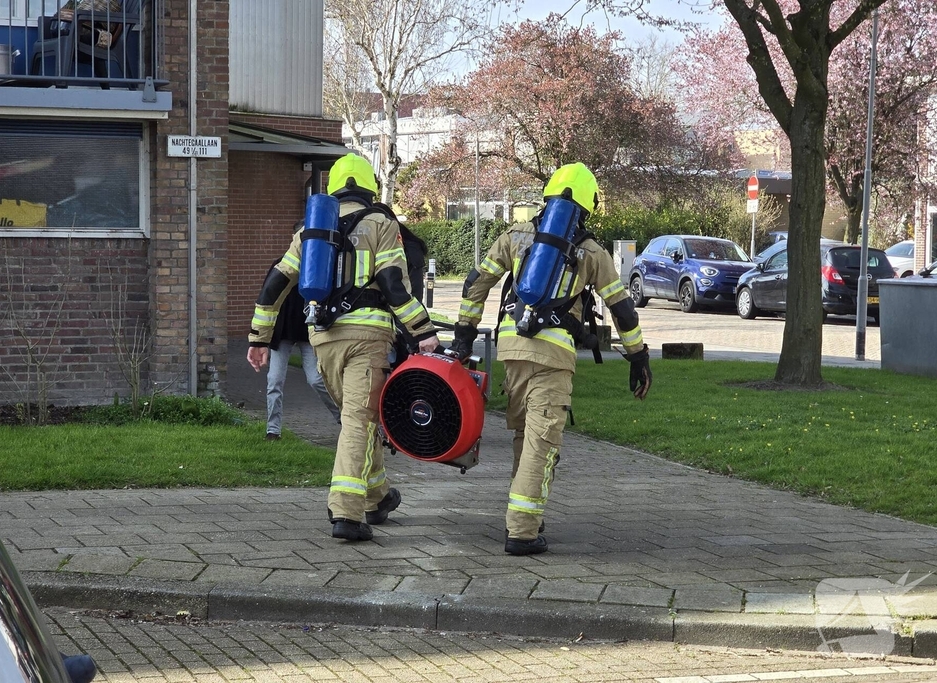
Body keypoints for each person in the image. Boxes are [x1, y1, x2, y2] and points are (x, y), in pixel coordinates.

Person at [448, 163, 652, 556]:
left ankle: (526, 517)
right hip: (553, 355)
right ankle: (522, 532)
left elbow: (477, 282)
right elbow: (623, 310)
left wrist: (463, 335)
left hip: (510, 349)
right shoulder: (591, 251)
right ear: (588, 205)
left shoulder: (516, 235)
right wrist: (638, 358)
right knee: (542, 443)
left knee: (526, 437)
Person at [247, 153, 439, 542]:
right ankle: (347, 511)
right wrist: (422, 331)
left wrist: (259, 337)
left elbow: (275, 282)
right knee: (359, 420)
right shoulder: (381, 223)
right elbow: (393, 284)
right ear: (369, 187)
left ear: (333, 188)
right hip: (367, 339)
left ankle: (378, 497)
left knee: (360, 417)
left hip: (323, 339)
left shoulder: (310, 229)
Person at [262, 280, 341, 440]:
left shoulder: (318, 265)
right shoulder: (282, 266)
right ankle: (273, 431)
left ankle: (344, 418)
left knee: (316, 380)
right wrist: (261, 337)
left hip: (308, 332)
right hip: (282, 332)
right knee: (274, 381)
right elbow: (267, 298)